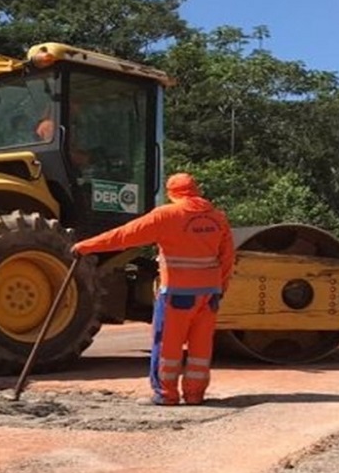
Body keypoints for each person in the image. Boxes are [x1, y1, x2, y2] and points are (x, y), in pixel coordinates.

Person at [72, 172, 235, 406]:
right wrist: (221, 288)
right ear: (196, 190)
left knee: (167, 345)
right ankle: (195, 395)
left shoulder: (167, 215)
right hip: (209, 294)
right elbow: (227, 257)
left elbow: (123, 236)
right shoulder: (217, 218)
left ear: (171, 193)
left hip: (177, 294)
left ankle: (166, 395)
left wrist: (84, 247)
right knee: (201, 347)